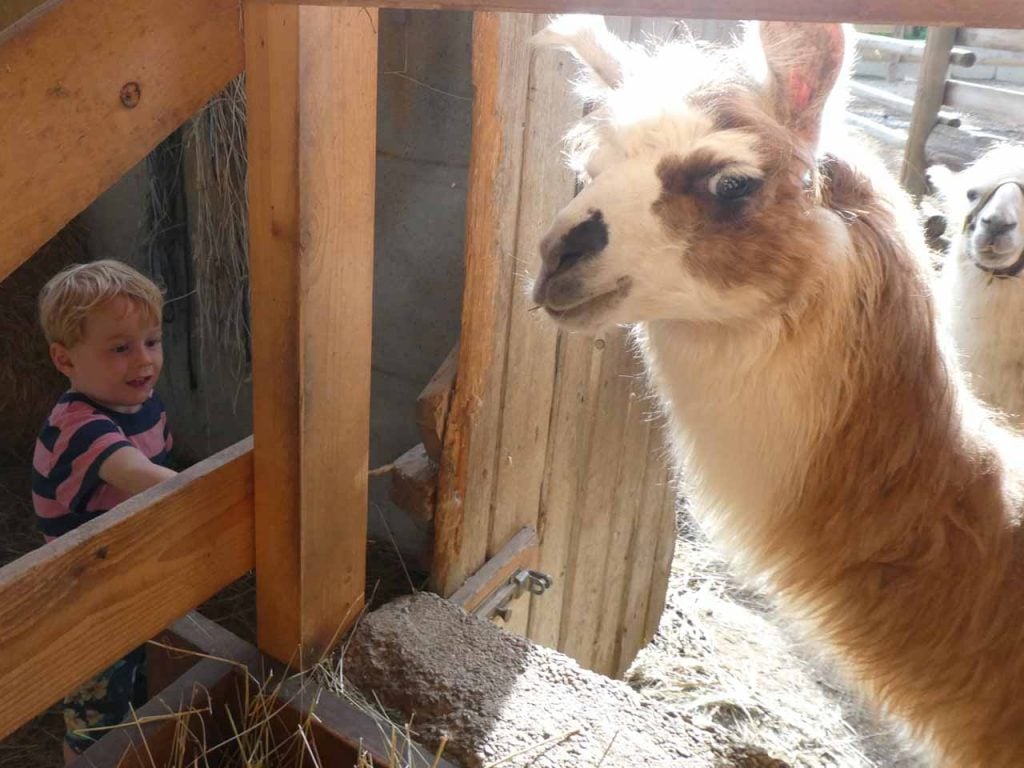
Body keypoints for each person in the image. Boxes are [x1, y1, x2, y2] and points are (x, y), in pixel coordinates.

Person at [32, 259, 176, 763]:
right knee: (95, 717)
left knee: (140, 687)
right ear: (65, 360)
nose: (145, 361)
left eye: (152, 341)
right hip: (83, 600)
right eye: (120, 348)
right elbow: (149, 480)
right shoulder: (80, 429)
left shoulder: (145, 405)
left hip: (129, 572)